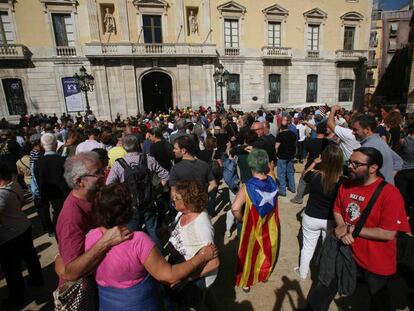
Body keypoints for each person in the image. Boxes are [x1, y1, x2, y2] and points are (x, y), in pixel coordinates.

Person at [85, 183, 218, 310]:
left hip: (108, 304)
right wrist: (201, 257)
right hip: (140, 304)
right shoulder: (138, 240)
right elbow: (169, 275)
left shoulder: (91, 236)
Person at [307, 147, 410, 311]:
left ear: (373, 168)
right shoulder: (346, 184)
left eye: (356, 164)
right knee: (324, 289)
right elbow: (337, 209)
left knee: (379, 301)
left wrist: (351, 229)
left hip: (376, 261)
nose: (350, 166)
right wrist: (341, 227)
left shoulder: (390, 194)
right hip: (346, 252)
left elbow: (388, 233)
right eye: (350, 162)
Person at [55, 152, 132, 289]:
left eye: (103, 170)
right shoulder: (71, 216)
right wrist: (106, 241)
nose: (104, 175)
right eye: (98, 173)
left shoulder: (94, 197)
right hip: (86, 292)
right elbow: (71, 272)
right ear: (79, 181)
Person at [106, 134, 169, 249]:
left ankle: (137, 255)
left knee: (132, 232)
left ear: (124, 147)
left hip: (130, 204)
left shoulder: (119, 164)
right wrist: (156, 189)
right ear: (137, 145)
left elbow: (109, 184)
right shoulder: (148, 159)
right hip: (149, 201)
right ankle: (158, 254)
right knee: (152, 230)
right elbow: (166, 175)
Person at [231, 149, 280, 292]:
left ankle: (246, 281)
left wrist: (241, 219)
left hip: (252, 224)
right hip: (269, 223)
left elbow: (235, 208)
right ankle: (263, 273)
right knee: (266, 248)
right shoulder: (272, 180)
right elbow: (271, 171)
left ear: (250, 166)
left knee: (248, 252)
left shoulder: (247, 186)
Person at [167, 180, 220, 308]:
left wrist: (187, 279)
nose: (173, 200)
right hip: (181, 269)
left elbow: (214, 263)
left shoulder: (201, 223)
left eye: (177, 198)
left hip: (194, 278)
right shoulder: (181, 213)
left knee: (197, 304)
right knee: (207, 299)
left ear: (188, 200)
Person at [294, 144, 344, 280]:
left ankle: (303, 273)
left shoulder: (315, 175)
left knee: (308, 247)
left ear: (324, 159)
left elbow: (304, 176)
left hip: (311, 217)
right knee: (327, 248)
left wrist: (314, 163)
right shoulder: (343, 182)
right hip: (331, 219)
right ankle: (323, 274)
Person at [0, 161, 44, 309]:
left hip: (10, 235)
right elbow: (22, 202)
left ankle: (17, 297)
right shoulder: (14, 184)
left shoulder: (1, 195)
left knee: (12, 269)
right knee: (30, 256)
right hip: (23, 226)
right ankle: (38, 279)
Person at [34, 133, 70, 234]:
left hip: (48, 197)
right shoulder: (64, 160)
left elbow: (36, 181)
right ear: (55, 145)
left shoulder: (37, 163)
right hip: (65, 196)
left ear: (42, 145)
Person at [352, 114, 403, 184]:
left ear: (367, 130)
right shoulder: (380, 141)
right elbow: (398, 161)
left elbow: (398, 161)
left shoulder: (368, 147)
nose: (353, 132)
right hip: (385, 188)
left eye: (355, 130)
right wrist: (388, 177)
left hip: (377, 191)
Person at [275, 123, 297, 196]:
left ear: (281, 127)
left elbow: (276, 146)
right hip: (291, 156)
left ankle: (282, 190)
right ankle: (292, 188)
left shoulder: (280, 135)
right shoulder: (293, 134)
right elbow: (295, 145)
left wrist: (276, 155)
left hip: (282, 157)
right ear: (288, 126)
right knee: (290, 172)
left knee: (281, 174)